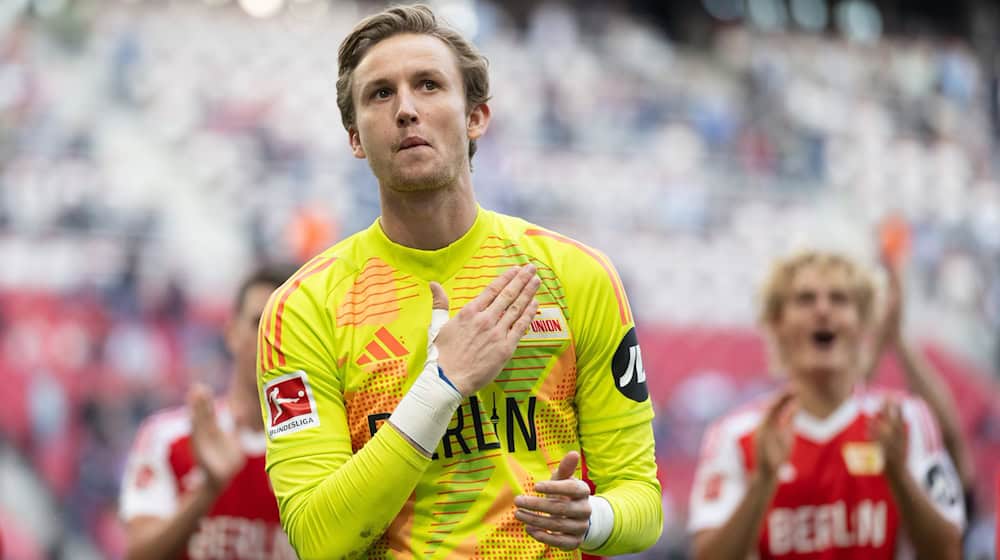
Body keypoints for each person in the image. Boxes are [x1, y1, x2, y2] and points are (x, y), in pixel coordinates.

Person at [255, 5, 662, 559]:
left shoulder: (576, 275)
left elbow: (642, 500)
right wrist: (442, 384)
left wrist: (593, 519)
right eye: (379, 94)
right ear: (355, 137)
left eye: (428, 85)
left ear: (476, 117)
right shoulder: (302, 309)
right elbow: (318, 538)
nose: (405, 110)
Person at [688, 250, 965, 559]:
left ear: (863, 322)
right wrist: (762, 481)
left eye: (839, 299)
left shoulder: (905, 421)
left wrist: (899, 476)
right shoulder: (737, 434)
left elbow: (948, 551)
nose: (822, 311)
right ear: (776, 322)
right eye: (805, 299)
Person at [120, 266, 298, 560]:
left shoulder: (323, 452)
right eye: (259, 323)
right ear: (231, 333)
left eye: (289, 326)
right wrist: (207, 490)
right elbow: (137, 552)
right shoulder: (170, 438)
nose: (273, 340)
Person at [863, 249, 977, 528]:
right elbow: (841, 404)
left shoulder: (940, 488)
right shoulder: (864, 497)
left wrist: (896, 339)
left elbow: (949, 434)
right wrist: (888, 337)